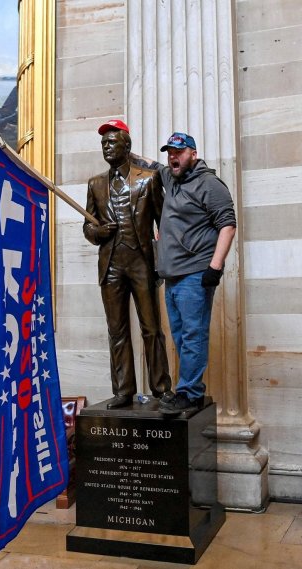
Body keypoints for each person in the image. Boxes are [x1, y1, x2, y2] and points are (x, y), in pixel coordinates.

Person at [82, 119, 173, 409]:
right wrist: (98, 232)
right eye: (103, 144)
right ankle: (123, 390)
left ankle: (161, 388)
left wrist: (164, 264)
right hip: (111, 266)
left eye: (112, 142)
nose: (106, 147)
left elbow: (164, 225)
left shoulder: (149, 179)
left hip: (141, 263)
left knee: (151, 328)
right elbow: (87, 227)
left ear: (127, 145)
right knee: (117, 331)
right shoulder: (95, 184)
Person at [154, 132, 236, 414]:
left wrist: (215, 267)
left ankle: (188, 393)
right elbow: (150, 165)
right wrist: (123, 145)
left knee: (193, 335)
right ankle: (193, 390)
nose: (173, 157)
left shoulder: (209, 184)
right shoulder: (171, 178)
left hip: (195, 273)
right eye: (170, 153)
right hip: (172, 276)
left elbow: (228, 225)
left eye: (179, 152)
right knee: (180, 336)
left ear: (193, 154)